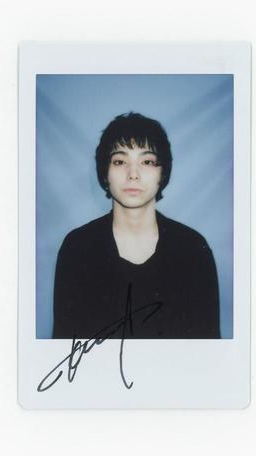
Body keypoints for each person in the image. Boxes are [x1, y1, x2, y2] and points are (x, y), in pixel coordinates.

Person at [52, 112, 220, 339]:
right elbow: (64, 350)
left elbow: (209, 350)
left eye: (147, 162)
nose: (133, 174)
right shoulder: (78, 248)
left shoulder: (192, 249)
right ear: (105, 172)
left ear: (163, 172)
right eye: (120, 161)